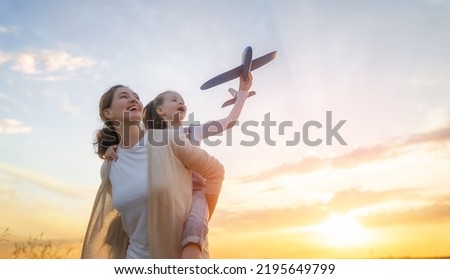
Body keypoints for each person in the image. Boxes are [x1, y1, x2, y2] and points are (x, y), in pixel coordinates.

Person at [102, 73, 254, 258]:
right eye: (174, 100)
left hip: (195, 190)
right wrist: (111, 147)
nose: (181, 102)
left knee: (195, 225)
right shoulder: (149, 141)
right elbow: (132, 145)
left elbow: (228, 122)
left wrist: (243, 93)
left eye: (182, 100)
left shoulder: (188, 132)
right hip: (143, 244)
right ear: (160, 110)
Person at [80, 84, 225, 259]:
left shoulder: (169, 140)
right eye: (124, 96)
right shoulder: (109, 166)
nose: (134, 99)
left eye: (136, 96)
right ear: (108, 113)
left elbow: (215, 172)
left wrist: (199, 223)